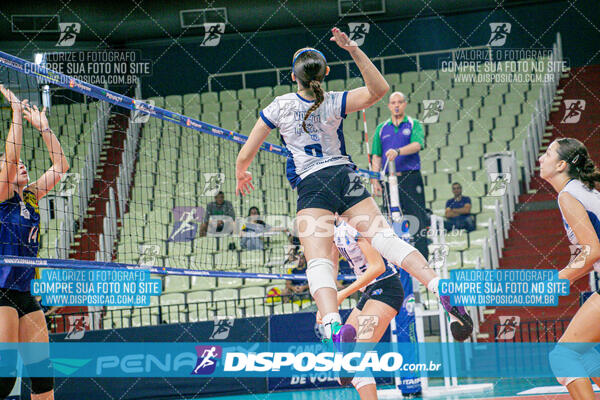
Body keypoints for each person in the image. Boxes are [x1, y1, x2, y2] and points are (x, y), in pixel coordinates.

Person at [236, 27, 472, 347]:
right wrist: (353, 50)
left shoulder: (279, 105)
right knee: (386, 239)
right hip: (344, 176)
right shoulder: (335, 101)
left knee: (318, 261)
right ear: (326, 73)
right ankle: (437, 285)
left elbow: (247, 152)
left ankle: (335, 326)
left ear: (293, 77)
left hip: (312, 185)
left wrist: (241, 172)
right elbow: (380, 89)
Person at [0, 86, 70, 400]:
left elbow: (60, 167)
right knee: (4, 380)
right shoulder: (2, 197)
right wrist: (15, 112)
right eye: (10, 165)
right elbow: (12, 156)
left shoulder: (30, 197)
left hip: (24, 292)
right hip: (0, 292)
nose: (19, 165)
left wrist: (43, 128)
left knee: (42, 375)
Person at [538, 138, 600, 400]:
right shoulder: (582, 191)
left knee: (564, 356)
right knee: (582, 352)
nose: (541, 157)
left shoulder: (569, 195)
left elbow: (592, 251)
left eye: (548, 153)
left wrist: (555, 280)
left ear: (561, 165)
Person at [370, 91, 429, 260]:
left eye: (399, 102)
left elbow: (418, 145)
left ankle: (423, 262)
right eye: (393, 102)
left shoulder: (413, 124)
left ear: (404, 104)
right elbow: (377, 156)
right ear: (389, 106)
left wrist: (398, 151)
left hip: (410, 177)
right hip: (390, 180)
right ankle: (397, 261)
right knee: (392, 219)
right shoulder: (381, 128)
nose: (396, 105)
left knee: (417, 219)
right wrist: (375, 180)